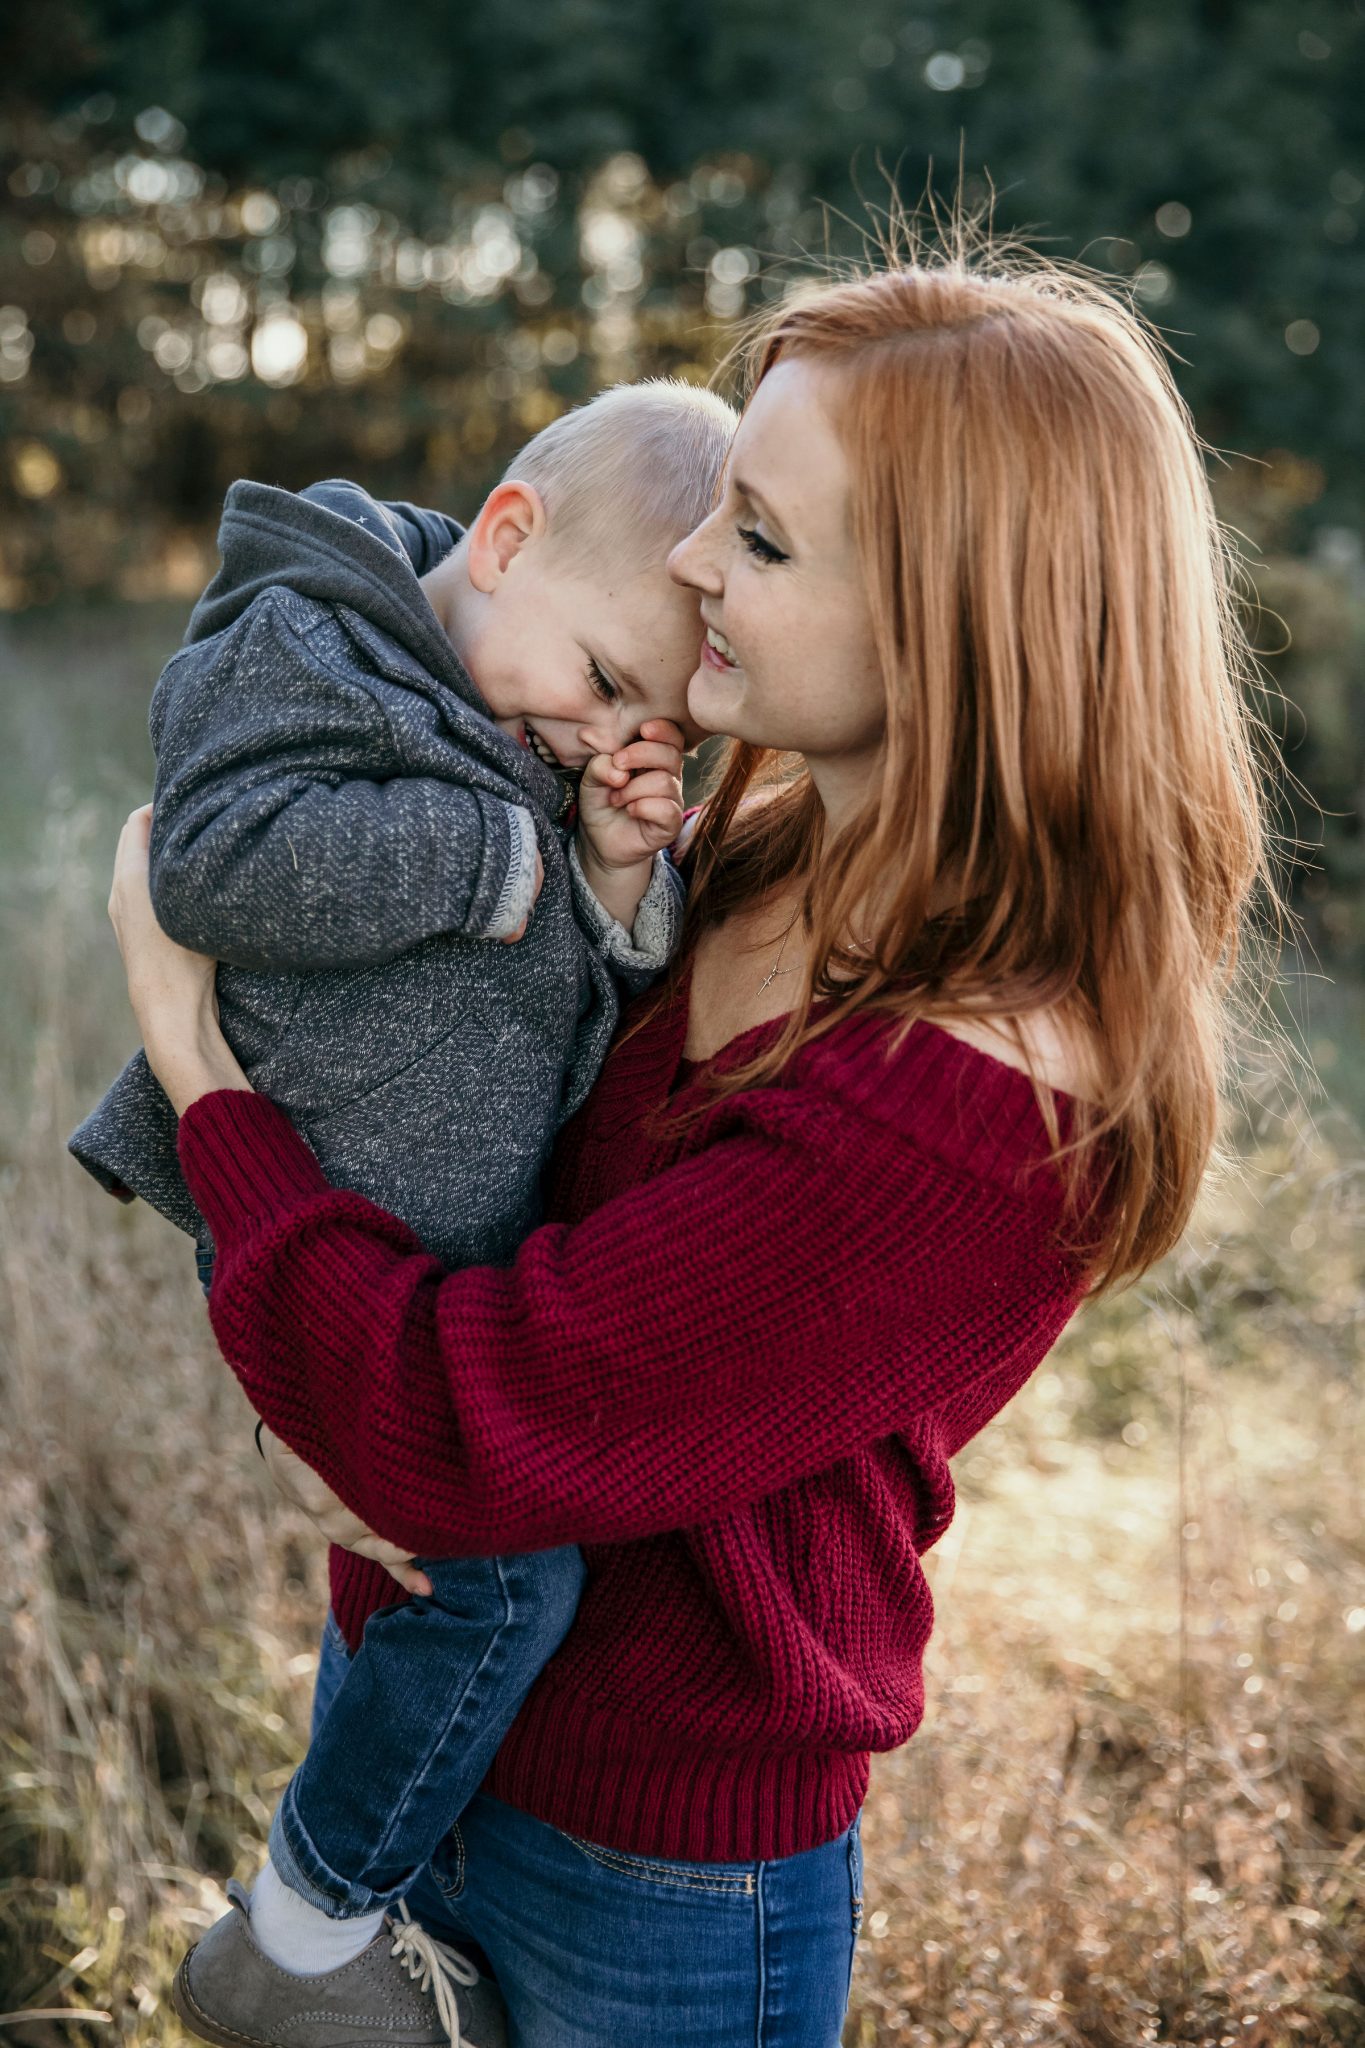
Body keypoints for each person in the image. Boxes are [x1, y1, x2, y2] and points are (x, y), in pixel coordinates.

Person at [106, 238, 1271, 2048]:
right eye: (725, 502)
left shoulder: (981, 1110)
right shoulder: (756, 840)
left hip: (646, 1867)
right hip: (421, 1690)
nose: (687, 564)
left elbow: (462, 1417)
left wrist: (196, 1067)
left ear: (964, 628)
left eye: (763, 543)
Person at [72, 381, 737, 2043]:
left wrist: (603, 877)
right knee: (506, 1590)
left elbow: (570, 995)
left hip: (435, 1251)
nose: (597, 737)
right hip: (328, 1215)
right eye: (598, 687)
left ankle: (373, 1910)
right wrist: (510, 858)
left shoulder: (515, 718)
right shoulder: (301, 643)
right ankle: (305, 1928)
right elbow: (209, 864)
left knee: (457, 1585)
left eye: (647, 723)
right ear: (504, 542)